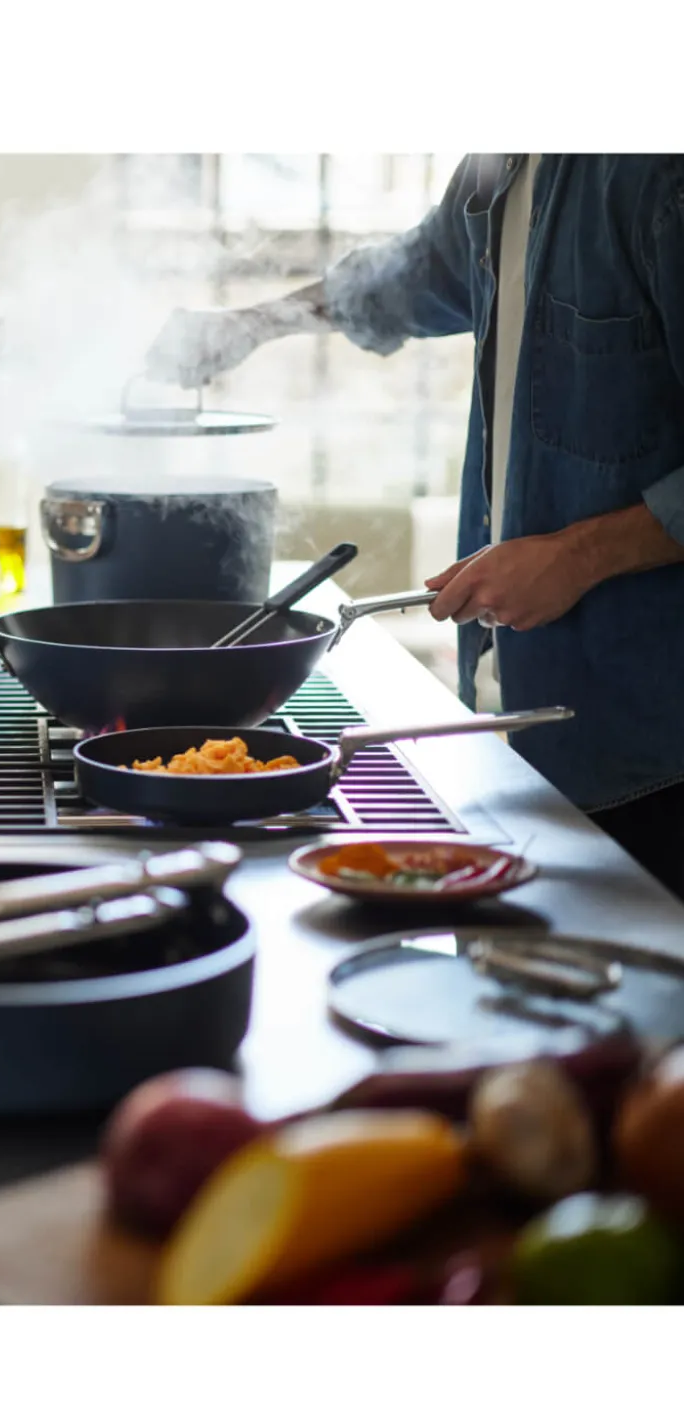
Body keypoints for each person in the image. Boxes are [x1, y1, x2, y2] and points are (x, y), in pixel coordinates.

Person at [146, 154, 684, 897]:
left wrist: (577, 557)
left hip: (656, 756)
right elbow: (406, 279)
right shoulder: (499, 169)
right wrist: (253, 323)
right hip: (517, 730)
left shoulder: (656, 173)